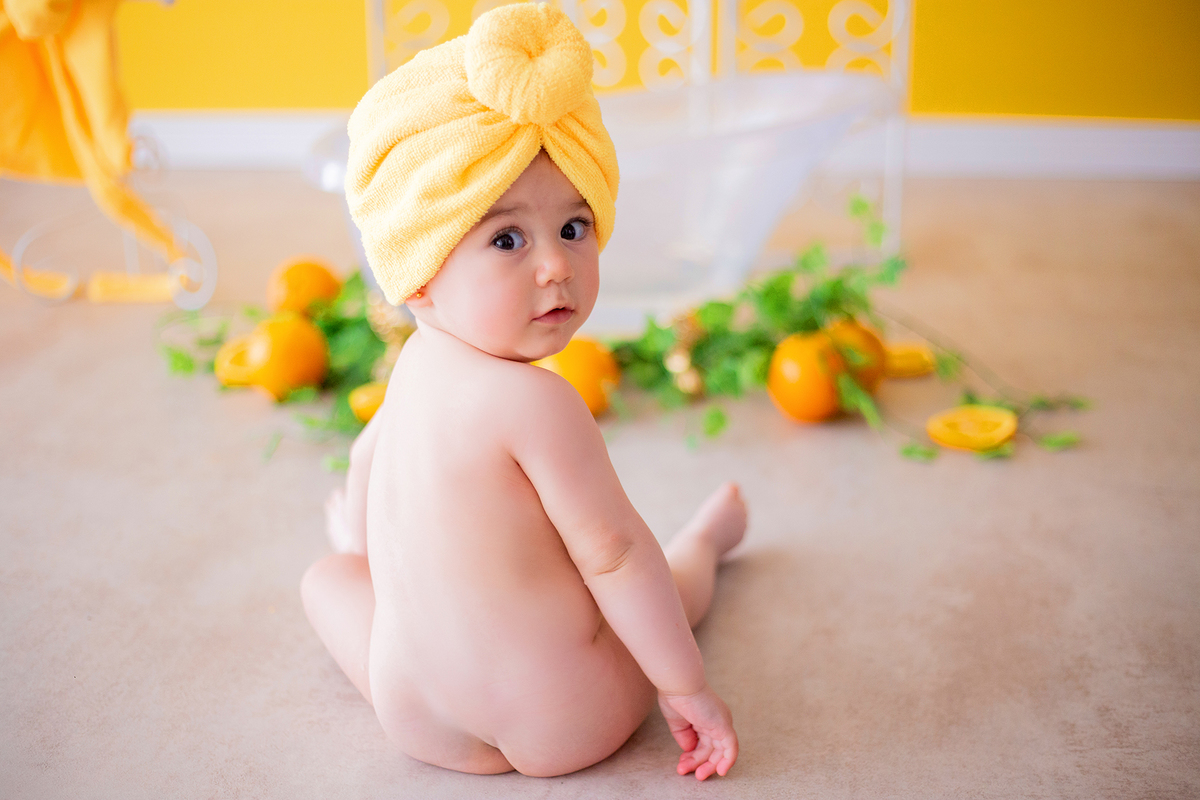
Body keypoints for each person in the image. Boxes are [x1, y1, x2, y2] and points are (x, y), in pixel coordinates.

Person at [301, 2, 745, 780]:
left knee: (329, 579)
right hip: (565, 717)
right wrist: (687, 687)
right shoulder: (540, 402)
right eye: (507, 238)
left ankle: (390, 634)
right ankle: (707, 542)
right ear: (420, 271)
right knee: (659, 579)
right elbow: (613, 555)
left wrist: (368, 552)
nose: (555, 266)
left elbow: (370, 459)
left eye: (574, 227)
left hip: (417, 717)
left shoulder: (412, 364)